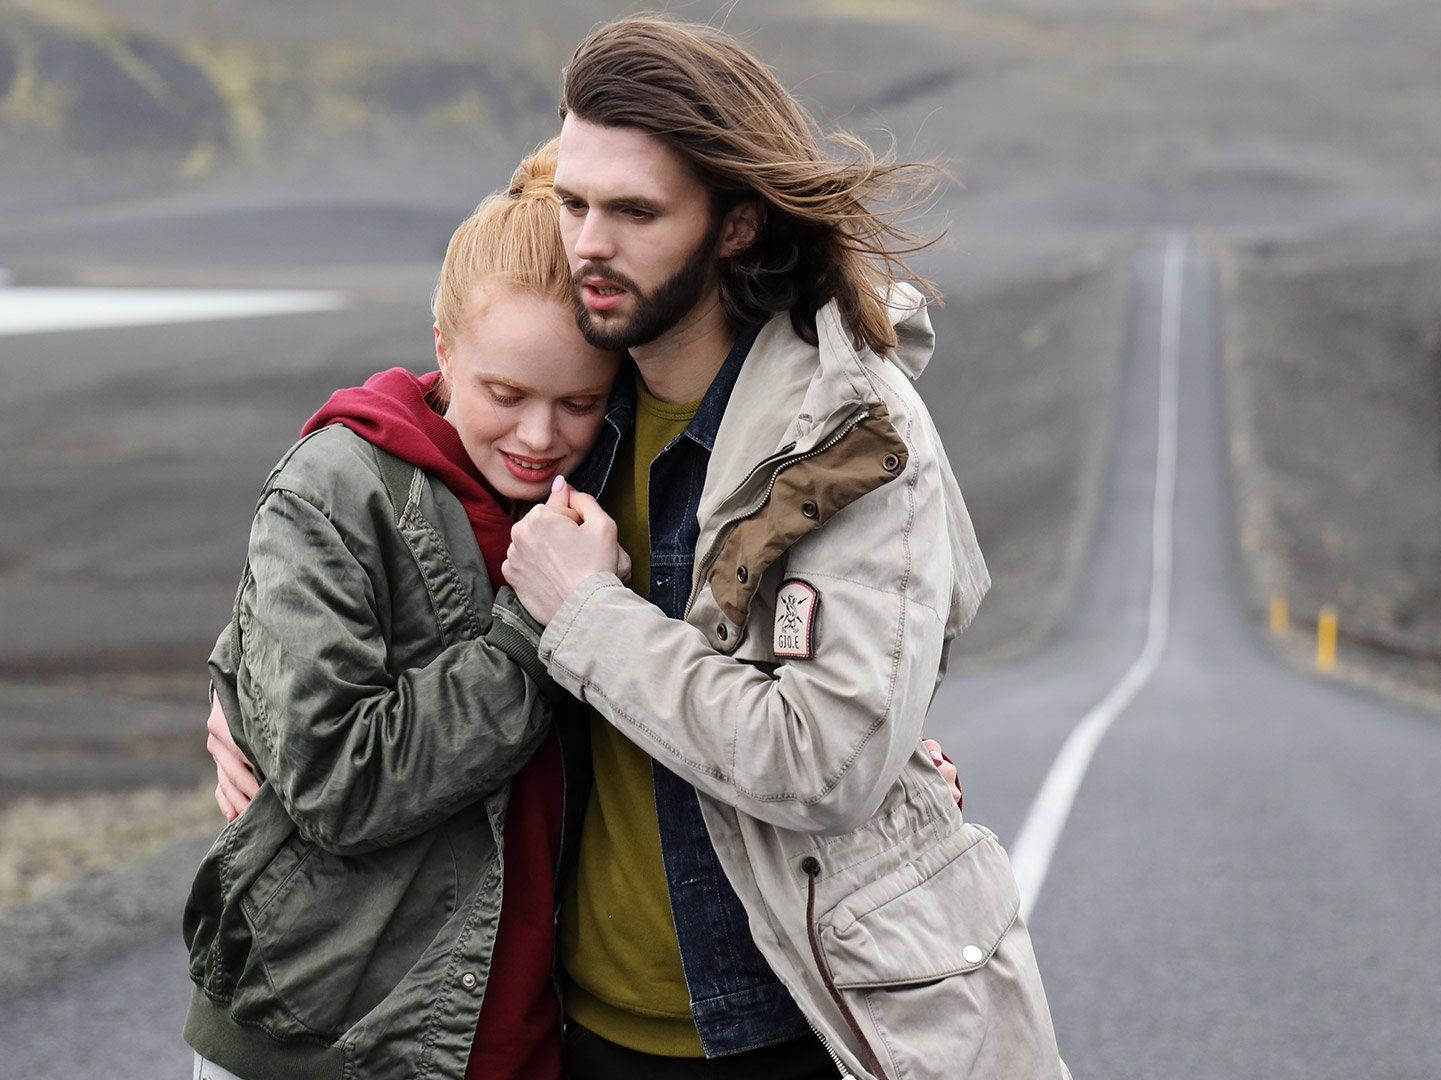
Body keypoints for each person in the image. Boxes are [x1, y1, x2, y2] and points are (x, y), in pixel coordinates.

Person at [186, 138, 964, 1080]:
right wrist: (245, 681)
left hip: (518, 1026)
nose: (538, 436)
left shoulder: (602, 476)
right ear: (443, 349)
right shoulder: (353, 483)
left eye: (579, 400)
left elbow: (735, 664)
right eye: (503, 394)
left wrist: (882, 752)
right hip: (327, 1030)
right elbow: (337, 773)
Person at [489, 15, 1069, 1080]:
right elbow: (383, 515)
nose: (587, 246)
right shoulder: (566, 403)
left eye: (634, 212)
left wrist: (584, 615)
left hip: (791, 1028)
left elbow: (822, 762)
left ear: (739, 227)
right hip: (575, 1030)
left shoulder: (849, 438)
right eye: (573, 203)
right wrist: (249, 698)